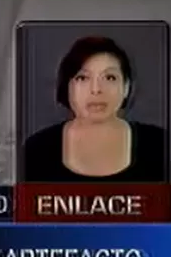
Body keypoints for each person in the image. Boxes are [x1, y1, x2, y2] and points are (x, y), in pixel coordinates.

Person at [22, 35, 168, 182]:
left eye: (110, 77)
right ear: (66, 87)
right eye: (83, 78)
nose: (96, 89)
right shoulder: (36, 150)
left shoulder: (161, 145)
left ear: (126, 87)